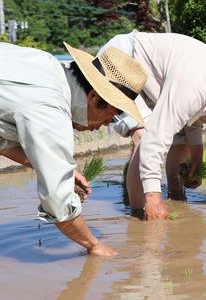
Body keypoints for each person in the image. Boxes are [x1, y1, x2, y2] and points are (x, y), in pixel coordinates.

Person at [98, 31, 206, 220]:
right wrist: (153, 196)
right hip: (121, 62)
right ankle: (141, 216)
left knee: (180, 141)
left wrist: (196, 155)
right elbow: (155, 138)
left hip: (149, 81)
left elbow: (193, 120)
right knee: (143, 136)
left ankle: (176, 195)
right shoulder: (195, 84)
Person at [0, 42, 147, 256]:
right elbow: (57, 202)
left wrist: (63, 171)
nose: (107, 124)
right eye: (113, 114)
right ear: (94, 97)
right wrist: (94, 245)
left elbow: (2, 140)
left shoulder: (47, 64)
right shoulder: (51, 108)